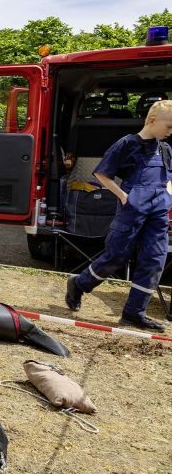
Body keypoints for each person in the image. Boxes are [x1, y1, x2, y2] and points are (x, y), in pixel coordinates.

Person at [64, 100, 172, 332]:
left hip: (159, 211)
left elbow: (168, 178)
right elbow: (102, 173)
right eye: (169, 126)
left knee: (155, 260)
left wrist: (168, 196)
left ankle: (134, 313)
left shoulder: (166, 149)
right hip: (132, 208)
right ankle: (79, 284)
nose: (171, 132)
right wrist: (124, 196)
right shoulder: (127, 144)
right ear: (153, 121)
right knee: (116, 256)